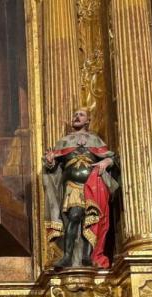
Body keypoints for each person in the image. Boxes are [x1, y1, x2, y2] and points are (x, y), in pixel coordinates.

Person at [42, 108, 119, 268]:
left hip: (94, 185)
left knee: (91, 219)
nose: (77, 117)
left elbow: (112, 158)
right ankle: (68, 256)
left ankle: (88, 256)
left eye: (81, 115)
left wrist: (107, 162)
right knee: (75, 215)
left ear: (88, 120)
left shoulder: (96, 140)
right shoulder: (64, 141)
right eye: (75, 115)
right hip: (73, 186)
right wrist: (50, 161)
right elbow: (53, 167)